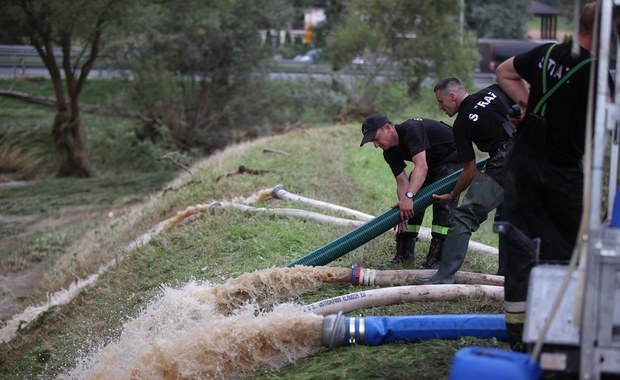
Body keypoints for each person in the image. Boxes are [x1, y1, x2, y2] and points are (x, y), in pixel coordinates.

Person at [495, 2, 601, 351]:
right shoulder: (597, 74)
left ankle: (517, 336)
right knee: (565, 251)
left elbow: (505, 72)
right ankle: (556, 336)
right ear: (606, 32)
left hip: (522, 163)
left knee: (519, 241)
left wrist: (526, 104)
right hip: (561, 173)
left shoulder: (547, 53)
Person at [417, 77, 516, 284]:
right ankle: (506, 277)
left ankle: (443, 276)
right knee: (509, 218)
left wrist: (453, 194)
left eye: (441, 102)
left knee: (463, 217)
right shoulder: (493, 91)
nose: (440, 107)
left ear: (453, 96)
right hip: (531, 153)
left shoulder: (461, 123)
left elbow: (469, 171)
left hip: (504, 161)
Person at [360, 114, 461, 268]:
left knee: (443, 206)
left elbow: (421, 166)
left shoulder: (411, 129)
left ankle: (436, 260)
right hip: (430, 164)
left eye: (376, 138)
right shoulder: (389, 151)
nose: (376, 144)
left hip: (452, 159)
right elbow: (402, 181)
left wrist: (409, 196)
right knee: (409, 209)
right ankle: (404, 256)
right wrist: (404, 204)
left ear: (388, 128)